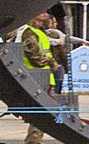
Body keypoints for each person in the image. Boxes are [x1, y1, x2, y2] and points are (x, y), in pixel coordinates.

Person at [20, 11, 60, 144]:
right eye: (42, 12)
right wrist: (51, 62)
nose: (46, 14)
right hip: (36, 76)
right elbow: (34, 56)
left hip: (45, 76)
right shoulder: (29, 32)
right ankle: (33, 140)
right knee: (40, 111)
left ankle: (35, 138)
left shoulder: (41, 32)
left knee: (44, 111)